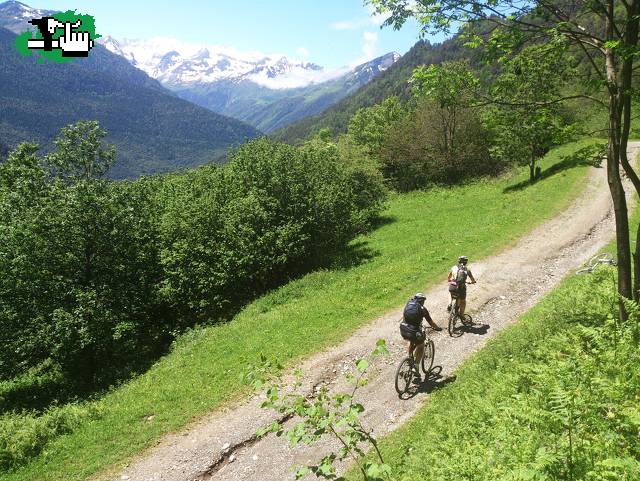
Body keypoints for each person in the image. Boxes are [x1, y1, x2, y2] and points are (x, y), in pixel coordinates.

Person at [400, 293, 442, 379]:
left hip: (403, 329)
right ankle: (416, 366)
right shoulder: (422, 309)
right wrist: (437, 328)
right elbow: (431, 322)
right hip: (413, 331)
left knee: (410, 340)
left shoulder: (408, 304)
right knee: (421, 345)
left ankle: (409, 358)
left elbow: (404, 315)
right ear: (422, 301)